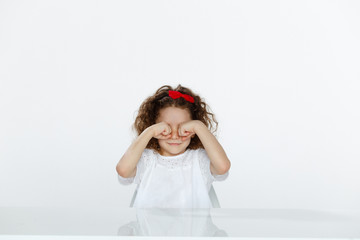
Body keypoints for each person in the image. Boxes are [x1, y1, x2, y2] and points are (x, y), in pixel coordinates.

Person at [116, 84, 231, 208]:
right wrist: (149, 132)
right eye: (167, 127)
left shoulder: (199, 159)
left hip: (193, 227)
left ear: (193, 132)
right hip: (151, 226)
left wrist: (199, 127)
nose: (175, 136)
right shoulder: (146, 159)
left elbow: (223, 167)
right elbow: (123, 170)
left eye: (183, 127)